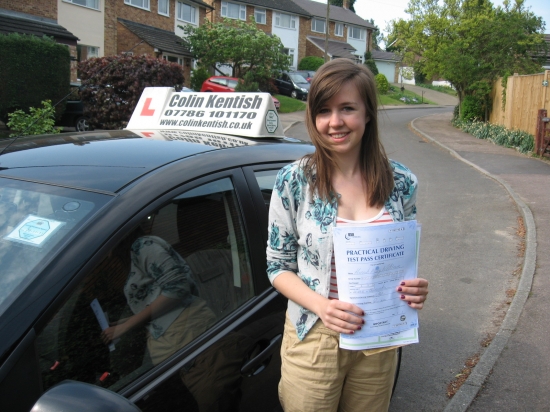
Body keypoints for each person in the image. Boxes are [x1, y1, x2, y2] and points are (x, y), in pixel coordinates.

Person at [266, 59, 429, 412]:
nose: (334, 122)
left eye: (347, 108)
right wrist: (323, 306)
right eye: (323, 110)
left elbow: (403, 262)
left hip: (379, 337)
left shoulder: (402, 182)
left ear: (367, 113)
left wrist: (413, 289)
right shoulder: (294, 181)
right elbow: (277, 267)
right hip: (315, 338)